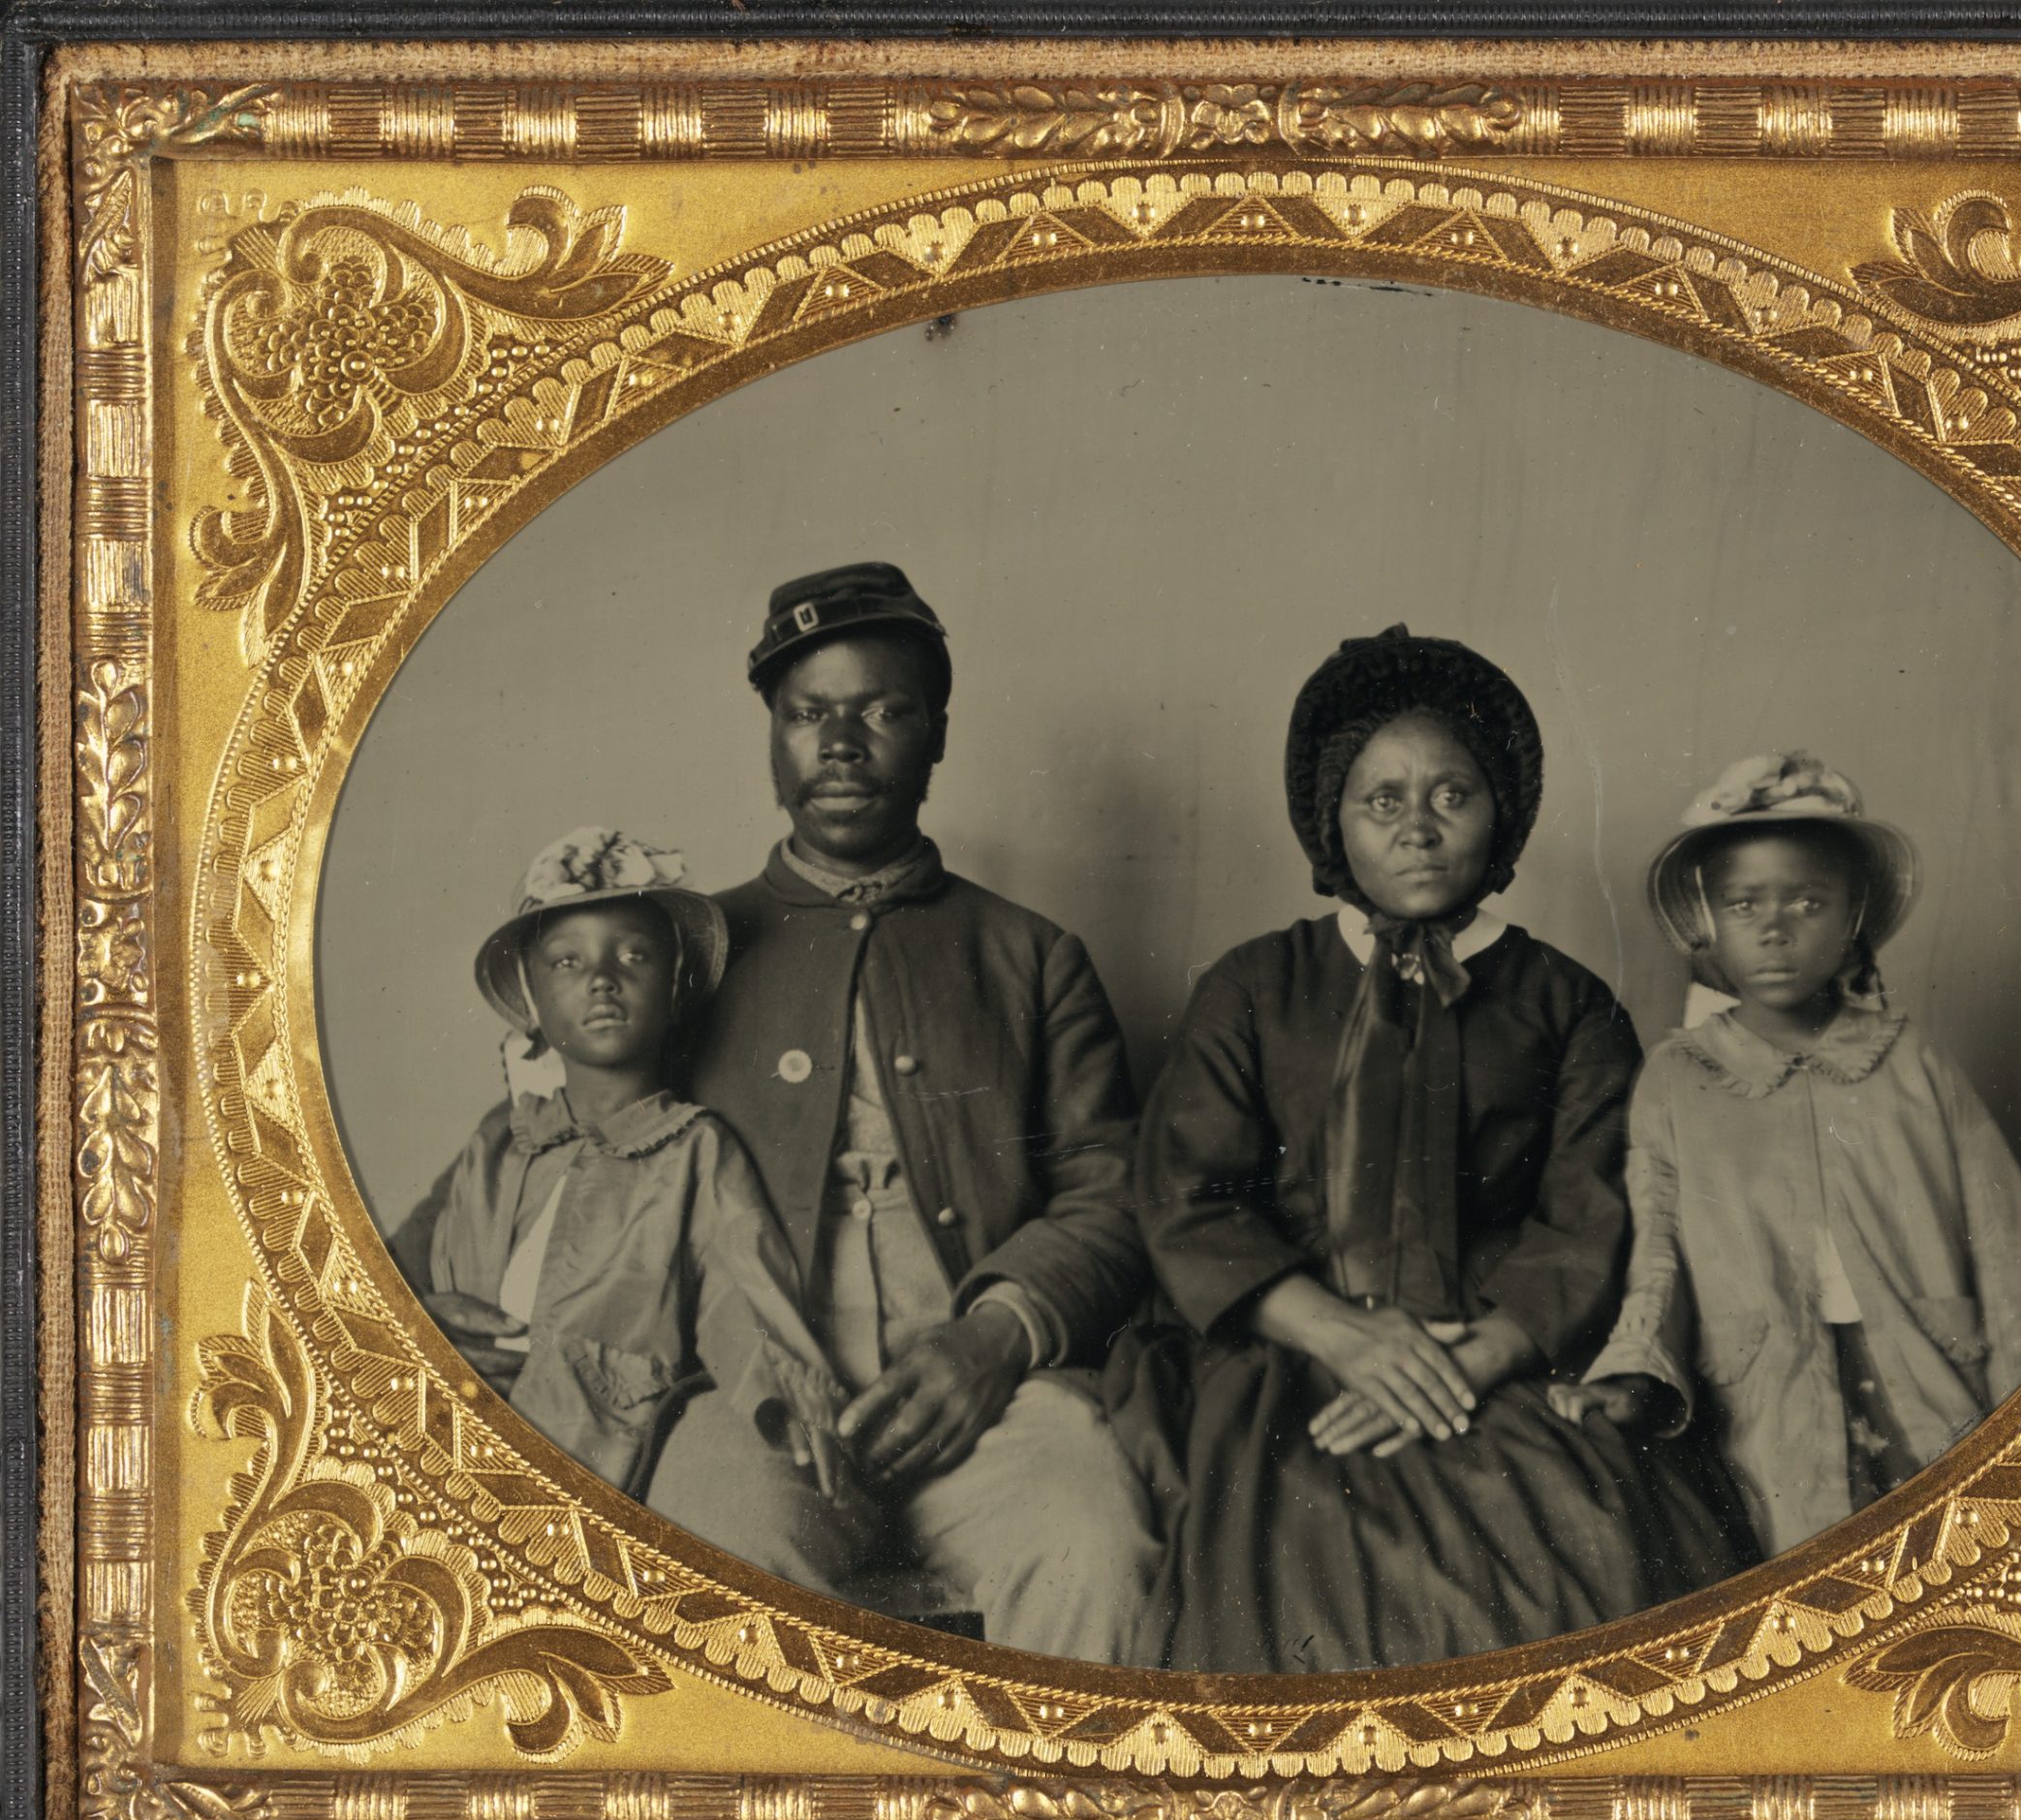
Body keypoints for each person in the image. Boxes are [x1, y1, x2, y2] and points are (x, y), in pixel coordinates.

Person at [1109, 626, 1748, 1674]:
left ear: (1500, 815)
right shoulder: (1252, 987)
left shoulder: (1565, 1003)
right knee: (1286, 1581)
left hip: (1499, 1354)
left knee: (1586, 1559)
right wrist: (1343, 1335)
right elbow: (1188, 1197)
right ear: (1333, 819)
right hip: (1293, 1352)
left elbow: (1598, 1208)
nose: (1418, 829)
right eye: (1382, 800)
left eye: (1452, 796)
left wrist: (1479, 1355)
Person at [667, 561, 1159, 1663]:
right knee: (714, 1564)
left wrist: (992, 1339)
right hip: (754, 1400)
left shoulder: (1030, 956)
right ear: (773, 736)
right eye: (809, 714)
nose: (842, 743)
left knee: (1095, 1544)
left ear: (936, 733)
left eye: (885, 710)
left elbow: (1112, 1188)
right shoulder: (686, 953)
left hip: (993, 1397)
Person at [1549, 753, 2021, 1558]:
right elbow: (1657, 1250)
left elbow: (2006, 1250)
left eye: (1808, 901)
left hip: (1929, 1378)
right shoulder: (1678, 1078)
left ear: (1852, 920)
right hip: (1764, 1395)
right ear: (1710, 923)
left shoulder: (1911, 1064)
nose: (1775, 928)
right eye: (1744, 903)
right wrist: (1631, 1370)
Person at [389, 828, 877, 1590]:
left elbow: (741, 1297)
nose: (604, 980)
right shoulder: (502, 1139)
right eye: (569, 962)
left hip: (600, 1454)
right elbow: (391, 1278)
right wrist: (425, 1318)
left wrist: (786, 1399)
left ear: (677, 988)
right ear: (531, 1001)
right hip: (456, 1441)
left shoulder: (691, 1148)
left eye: (635, 957)